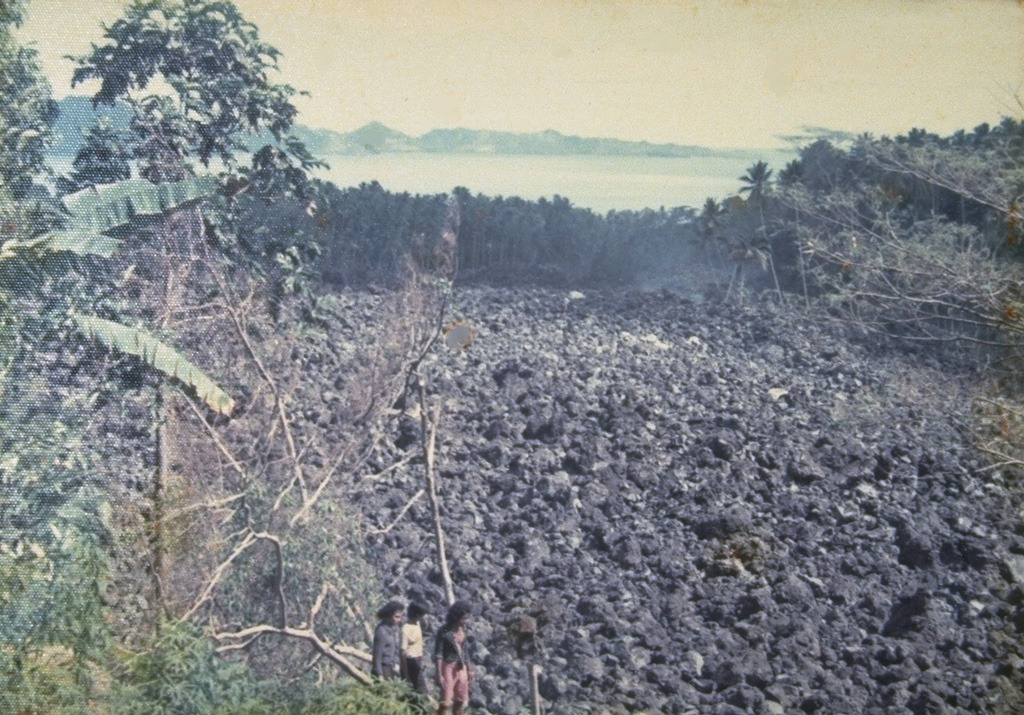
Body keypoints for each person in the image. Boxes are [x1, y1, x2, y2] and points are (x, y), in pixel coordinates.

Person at [434, 600, 473, 715]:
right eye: (464, 619)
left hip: (460, 666)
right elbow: (438, 653)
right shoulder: (444, 631)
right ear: (456, 617)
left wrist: (469, 669)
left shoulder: (463, 630)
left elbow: (465, 651)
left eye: (467, 618)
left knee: (460, 699)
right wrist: (439, 674)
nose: (466, 621)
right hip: (448, 666)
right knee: (446, 701)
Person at [401, 602, 429, 695]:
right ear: (417, 615)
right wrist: (405, 674)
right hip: (411, 661)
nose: (426, 616)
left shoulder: (417, 624)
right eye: (424, 614)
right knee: (420, 690)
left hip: (417, 660)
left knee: (418, 688)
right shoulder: (406, 629)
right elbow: (403, 652)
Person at [372, 600, 404, 679]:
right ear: (389, 616)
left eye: (400, 617)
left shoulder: (389, 630)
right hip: (383, 669)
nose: (399, 620)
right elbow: (377, 656)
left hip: (389, 668)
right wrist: (379, 675)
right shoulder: (381, 631)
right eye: (396, 617)